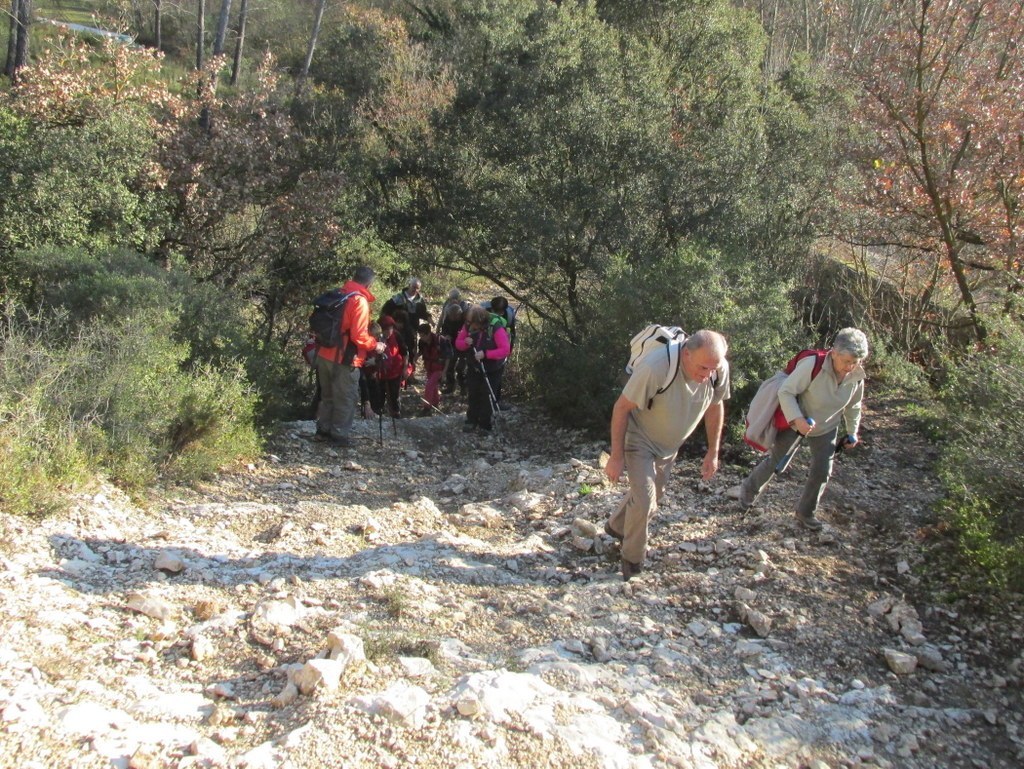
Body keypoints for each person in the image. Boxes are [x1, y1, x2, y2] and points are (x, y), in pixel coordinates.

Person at [604, 330, 730, 581]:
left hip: (669, 447)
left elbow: (716, 407)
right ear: (686, 354)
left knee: (652, 496)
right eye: (702, 368)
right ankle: (632, 562)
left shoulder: (717, 369)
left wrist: (713, 451)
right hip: (639, 439)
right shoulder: (656, 367)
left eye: (711, 370)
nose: (706, 376)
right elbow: (621, 408)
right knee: (645, 500)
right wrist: (616, 456)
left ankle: (617, 526)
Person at [728, 327, 868, 531]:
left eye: (855, 362)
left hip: (827, 426)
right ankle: (747, 494)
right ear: (834, 353)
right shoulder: (812, 365)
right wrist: (797, 419)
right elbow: (786, 391)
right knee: (777, 462)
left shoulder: (856, 376)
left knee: (822, 471)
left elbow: (853, 405)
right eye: (846, 361)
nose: (850, 366)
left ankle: (806, 513)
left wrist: (852, 432)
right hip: (798, 420)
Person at [314, 266, 386, 448]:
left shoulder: (340, 293)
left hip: (324, 353)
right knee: (346, 398)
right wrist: (375, 345)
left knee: (328, 394)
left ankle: (323, 431)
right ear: (369, 283)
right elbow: (359, 336)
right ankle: (338, 437)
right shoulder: (359, 301)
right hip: (345, 359)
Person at [454, 305, 511, 433]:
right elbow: (458, 344)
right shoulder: (468, 325)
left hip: (493, 368)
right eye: (468, 322)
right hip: (474, 366)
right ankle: (471, 420)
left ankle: (485, 424)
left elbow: (505, 349)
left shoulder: (495, 328)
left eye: (471, 322)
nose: (468, 325)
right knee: (473, 393)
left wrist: (486, 353)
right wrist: (465, 342)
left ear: (479, 321)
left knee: (487, 395)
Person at [383, 277, 432, 382]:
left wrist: (429, 319)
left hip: (412, 330)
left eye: (418, 288)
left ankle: (410, 375)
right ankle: (396, 373)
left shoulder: (419, 300)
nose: (415, 290)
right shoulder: (398, 298)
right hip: (399, 329)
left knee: (412, 350)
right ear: (409, 285)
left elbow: (423, 312)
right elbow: (386, 310)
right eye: (414, 287)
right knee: (398, 350)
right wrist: (390, 323)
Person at [416, 322, 452, 415]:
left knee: (429, 386)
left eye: (423, 335)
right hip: (429, 367)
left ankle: (426, 408)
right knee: (433, 387)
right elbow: (421, 351)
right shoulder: (422, 342)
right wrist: (414, 358)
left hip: (439, 368)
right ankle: (435, 404)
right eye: (420, 336)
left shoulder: (441, 341)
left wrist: (444, 372)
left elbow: (448, 357)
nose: (421, 338)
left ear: (428, 333)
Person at [377, 315, 407, 418]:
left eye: (391, 329)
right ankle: (379, 415)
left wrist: (405, 368)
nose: (389, 332)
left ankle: (396, 415)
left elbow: (404, 352)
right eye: (386, 330)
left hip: (395, 372)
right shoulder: (376, 338)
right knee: (379, 396)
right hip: (380, 373)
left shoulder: (397, 336)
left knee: (395, 396)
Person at [439, 300, 469, 394]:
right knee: (449, 366)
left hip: (464, 347)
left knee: (461, 368)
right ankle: (450, 386)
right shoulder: (448, 319)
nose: (451, 317)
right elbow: (444, 329)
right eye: (450, 316)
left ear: (458, 315)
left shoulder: (466, 321)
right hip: (451, 345)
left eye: (453, 316)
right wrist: (446, 335)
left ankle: (464, 387)